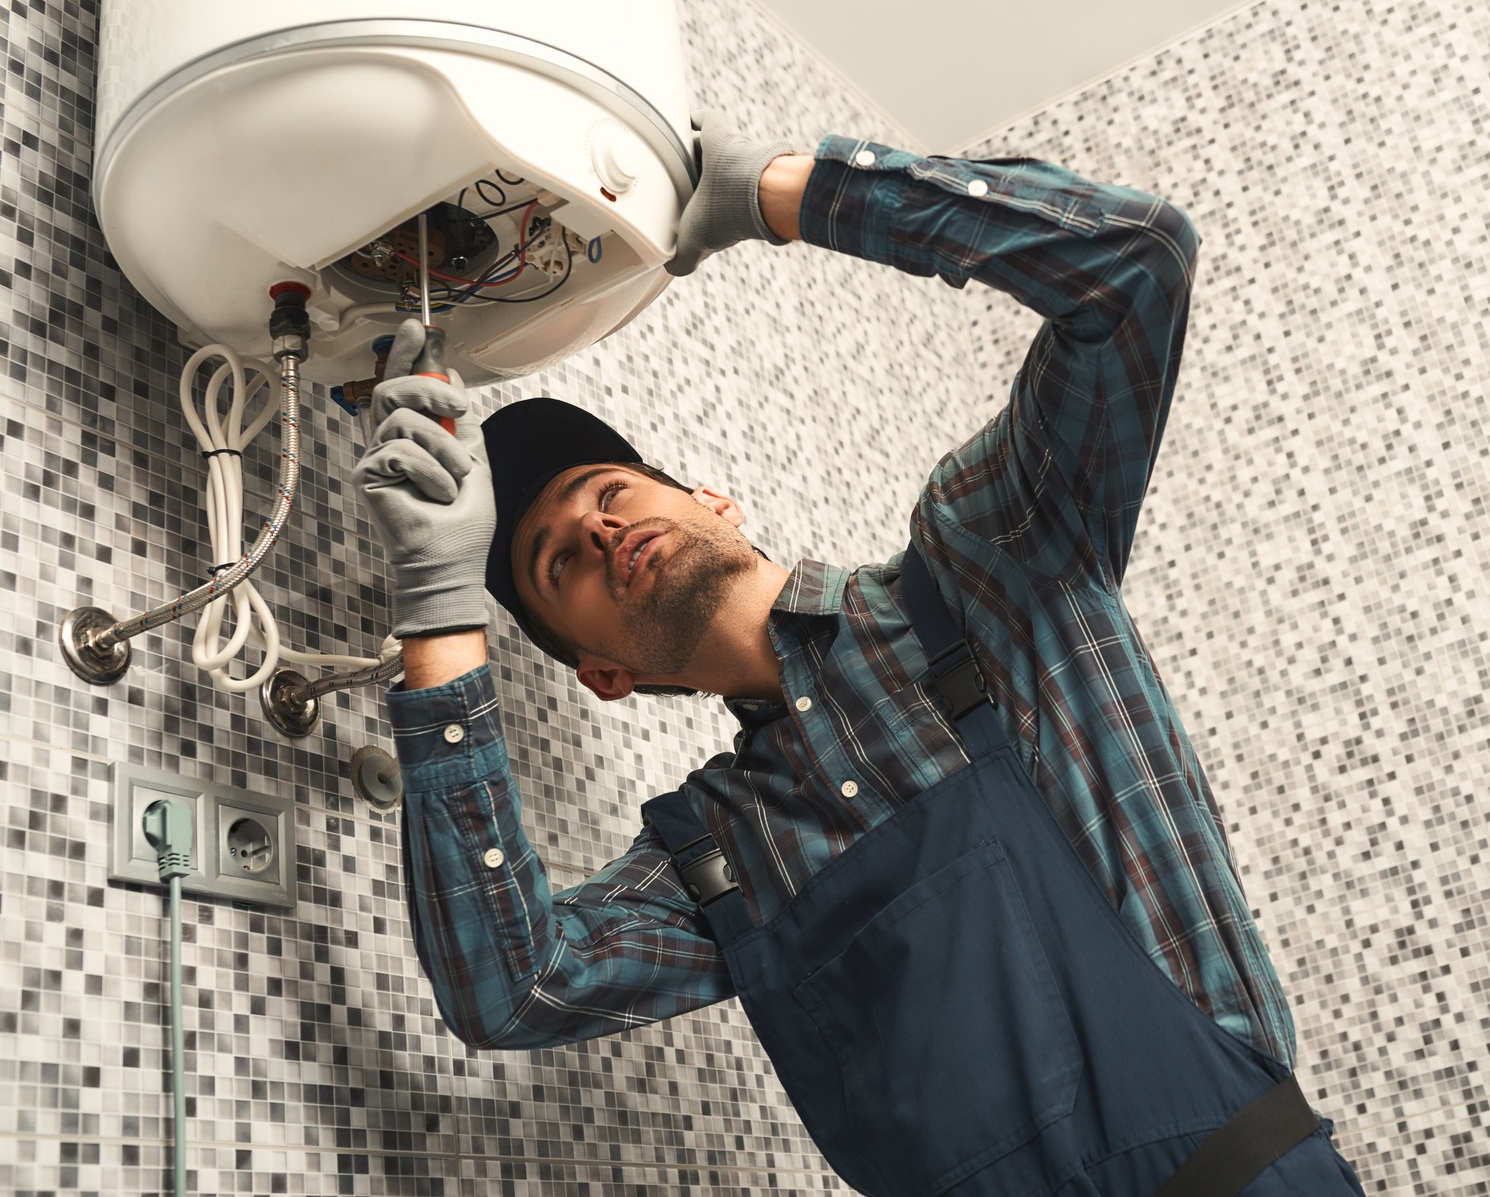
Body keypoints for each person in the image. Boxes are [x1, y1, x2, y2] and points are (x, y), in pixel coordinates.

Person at [356, 110, 1366, 1197]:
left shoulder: (990, 568)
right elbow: (512, 985)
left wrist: (790, 195)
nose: (600, 532)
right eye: (560, 565)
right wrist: (438, 602)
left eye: (610, 492)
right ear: (604, 675)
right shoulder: (720, 852)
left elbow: (1136, 267)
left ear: (712, 502)